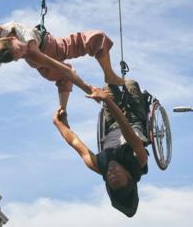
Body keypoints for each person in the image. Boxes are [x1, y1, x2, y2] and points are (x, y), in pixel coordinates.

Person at [0, 0, 124, 110]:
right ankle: (63, 109)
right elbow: (67, 71)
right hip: (46, 60)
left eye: (19, 51)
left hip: (54, 49)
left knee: (96, 38)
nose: (22, 55)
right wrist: (89, 89)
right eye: (18, 59)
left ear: (12, 39)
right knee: (66, 73)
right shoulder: (31, 52)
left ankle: (107, 77)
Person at [52, 81, 149, 217]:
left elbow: (75, 142)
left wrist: (59, 124)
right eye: (117, 175)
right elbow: (126, 129)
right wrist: (107, 100)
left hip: (111, 124)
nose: (111, 172)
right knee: (129, 83)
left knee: (109, 86)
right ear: (129, 176)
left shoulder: (98, 165)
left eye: (110, 178)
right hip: (132, 120)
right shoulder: (139, 159)